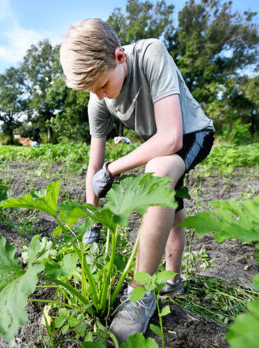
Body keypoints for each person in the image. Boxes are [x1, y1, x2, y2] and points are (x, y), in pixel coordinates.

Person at [60, 18, 215, 342]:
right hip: (157, 145)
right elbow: (94, 166)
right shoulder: (97, 100)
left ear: (119, 57)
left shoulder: (151, 54)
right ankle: (173, 281)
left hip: (190, 134)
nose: (100, 96)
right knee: (170, 210)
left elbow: (171, 137)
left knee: (157, 172)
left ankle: (140, 293)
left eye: (103, 86)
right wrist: (93, 223)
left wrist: (113, 169)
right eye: (92, 91)